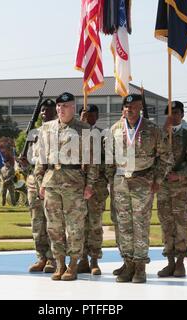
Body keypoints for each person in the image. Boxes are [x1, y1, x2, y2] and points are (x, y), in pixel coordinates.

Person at [106, 93, 173, 283]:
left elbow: (166, 157)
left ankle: (140, 267)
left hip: (143, 182)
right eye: (127, 107)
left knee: (141, 225)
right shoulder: (115, 129)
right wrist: (111, 181)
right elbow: (108, 159)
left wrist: (158, 179)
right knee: (124, 226)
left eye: (134, 106)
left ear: (140, 107)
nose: (130, 110)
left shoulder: (152, 129)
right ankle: (128, 265)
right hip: (121, 183)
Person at [34, 92, 98, 281]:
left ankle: (73, 264)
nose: (61, 110)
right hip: (51, 181)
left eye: (66, 106)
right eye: (59, 107)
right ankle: (59, 263)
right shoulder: (46, 129)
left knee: (75, 227)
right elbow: (40, 158)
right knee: (54, 227)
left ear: (73, 107)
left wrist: (90, 185)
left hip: (75, 183)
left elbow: (93, 162)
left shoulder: (84, 129)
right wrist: (40, 182)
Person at [157, 101, 187, 278]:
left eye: (176, 112)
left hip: (180, 187)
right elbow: (154, 155)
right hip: (163, 187)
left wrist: (180, 175)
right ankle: (170, 263)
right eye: (169, 112)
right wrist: (163, 133)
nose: (173, 116)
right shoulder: (160, 135)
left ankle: (180, 262)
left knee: (180, 224)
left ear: (182, 115)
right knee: (166, 224)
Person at [19, 98, 57, 273]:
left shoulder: (59, 131)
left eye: (49, 110)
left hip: (51, 179)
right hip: (34, 180)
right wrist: (23, 163)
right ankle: (41, 257)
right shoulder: (33, 133)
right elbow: (27, 159)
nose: (45, 113)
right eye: (43, 111)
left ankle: (52, 258)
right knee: (37, 222)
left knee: (53, 221)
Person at [77, 104, 109, 275]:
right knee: (79, 224)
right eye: (84, 114)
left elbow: (109, 160)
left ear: (97, 117)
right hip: (76, 186)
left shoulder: (104, 135)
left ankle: (94, 260)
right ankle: (81, 259)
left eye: (90, 115)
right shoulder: (73, 134)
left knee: (95, 225)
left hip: (97, 187)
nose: (87, 117)